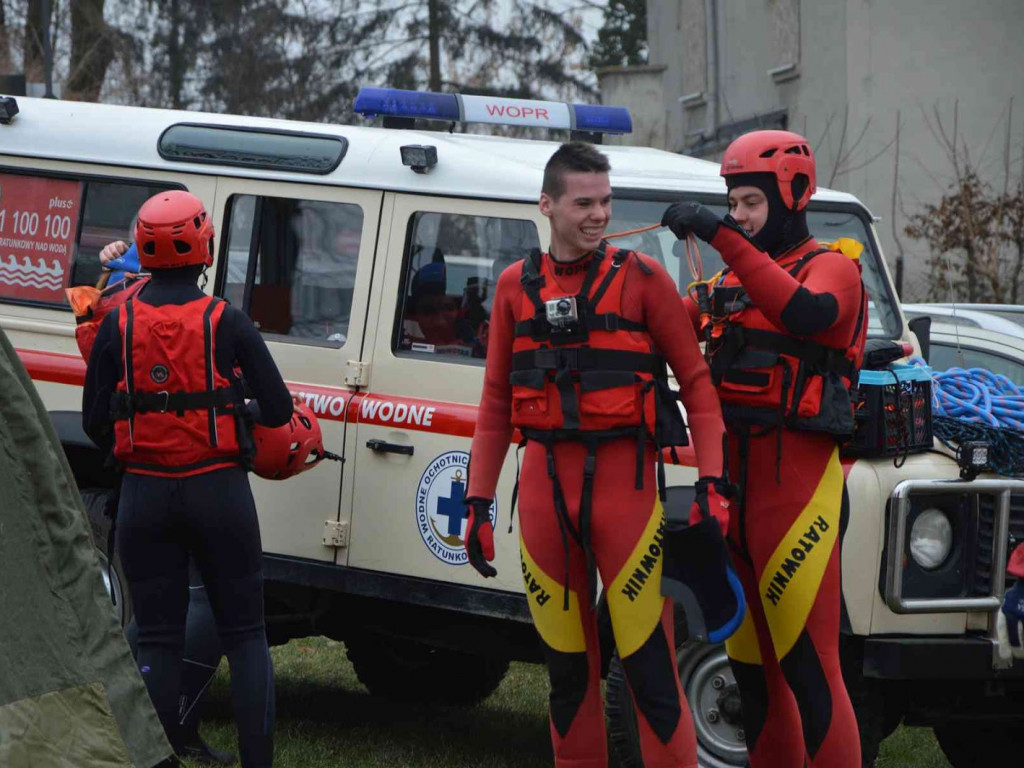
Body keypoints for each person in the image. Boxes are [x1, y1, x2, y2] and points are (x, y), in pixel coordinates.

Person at [464, 142, 730, 768]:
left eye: (605, 202)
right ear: (547, 205)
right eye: (583, 203)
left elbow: (697, 384)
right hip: (543, 493)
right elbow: (497, 401)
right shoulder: (512, 288)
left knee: (650, 672)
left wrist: (714, 481)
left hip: (626, 490)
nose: (597, 215)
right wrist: (478, 503)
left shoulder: (643, 280)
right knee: (566, 676)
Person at [660, 129, 868, 768]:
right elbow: (663, 326)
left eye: (750, 202)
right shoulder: (726, 283)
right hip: (737, 500)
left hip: (797, 496)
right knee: (753, 674)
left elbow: (803, 313)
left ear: (794, 194)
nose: (739, 217)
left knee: (809, 667)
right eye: (732, 203)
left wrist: (719, 234)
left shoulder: (834, 266)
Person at [83, 190, 294, 768]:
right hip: (218, 490)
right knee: (246, 633)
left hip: (145, 496)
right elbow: (277, 410)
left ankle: (155, 759)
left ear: (144, 251)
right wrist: (235, 412)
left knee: (155, 638)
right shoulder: (227, 320)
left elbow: (95, 422)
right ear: (204, 246)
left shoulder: (116, 320)